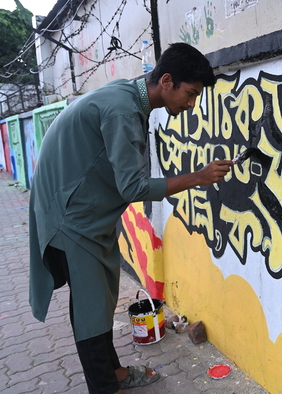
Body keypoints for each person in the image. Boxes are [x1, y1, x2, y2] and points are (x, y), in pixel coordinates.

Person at [28, 42, 233, 394]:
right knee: (91, 310)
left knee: (100, 300)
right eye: (190, 93)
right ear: (166, 81)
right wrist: (198, 176)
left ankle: (114, 373)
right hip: (70, 218)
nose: (191, 104)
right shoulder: (123, 109)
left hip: (83, 213)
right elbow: (133, 188)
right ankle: (106, 387)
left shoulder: (129, 96)